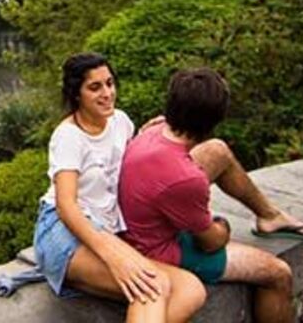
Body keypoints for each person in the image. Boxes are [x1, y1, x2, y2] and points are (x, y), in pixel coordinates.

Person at [118, 68, 303, 323]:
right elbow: (210, 243)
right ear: (213, 122)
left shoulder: (154, 129)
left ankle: (269, 216)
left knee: (218, 151)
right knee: (278, 274)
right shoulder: (186, 179)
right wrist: (221, 226)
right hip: (156, 250)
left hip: (139, 219)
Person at [34, 53, 206, 323]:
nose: (107, 93)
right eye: (95, 87)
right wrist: (113, 255)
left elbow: (127, 167)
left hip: (104, 231)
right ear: (76, 94)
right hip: (65, 232)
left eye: (110, 83)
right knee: (153, 287)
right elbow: (66, 205)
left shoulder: (120, 122)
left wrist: (149, 136)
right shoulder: (68, 136)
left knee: (191, 289)